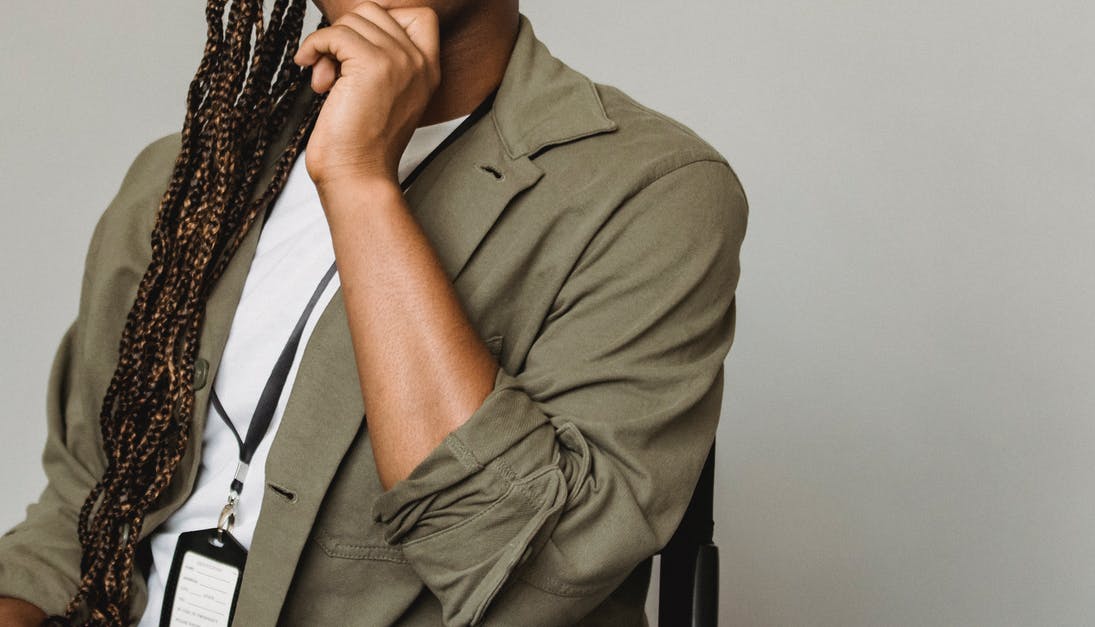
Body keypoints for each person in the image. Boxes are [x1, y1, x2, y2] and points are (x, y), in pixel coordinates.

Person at [0, 0, 748, 625]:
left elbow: (532, 582)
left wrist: (360, 182)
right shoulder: (188, 178)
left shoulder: (650, 194)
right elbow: (80, 509)